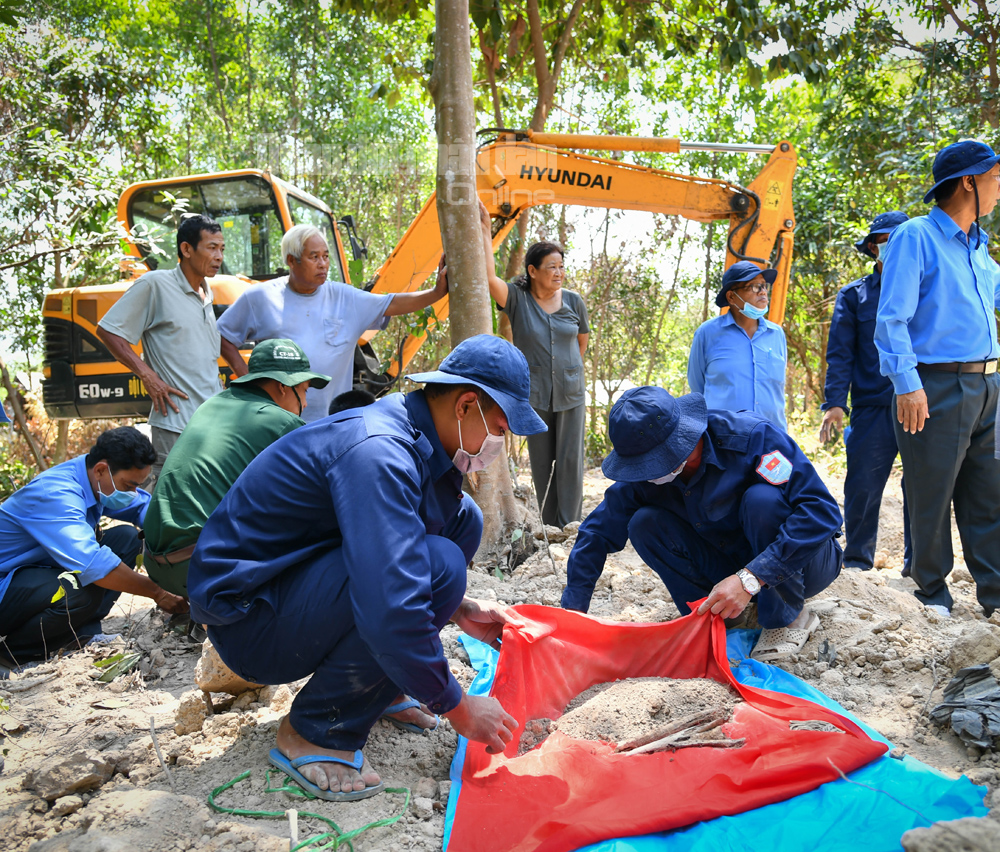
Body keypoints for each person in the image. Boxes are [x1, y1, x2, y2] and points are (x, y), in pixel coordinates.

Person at [187, 334, 547, 801]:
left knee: (462, 524)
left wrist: (458, 608)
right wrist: (457, 706)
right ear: (465, 406)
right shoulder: (379, 450)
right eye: (500, 428)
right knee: (439, 566)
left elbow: (393, 556)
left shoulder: (422, 443)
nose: (500, 442)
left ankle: (377, 687)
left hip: (296, 590)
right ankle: (316, 731)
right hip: (250, 619)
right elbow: (392, 602)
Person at [560, 386, 843, 663]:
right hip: (727, 567)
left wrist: (751, 577)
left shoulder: (751, 438)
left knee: (762, 501)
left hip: (803, 566)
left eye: (650, 464)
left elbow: (821, 512)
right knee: (644, 523)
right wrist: (572, 617)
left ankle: (787, 618)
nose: (647, 474)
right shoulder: (644, 477)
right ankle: (719, 618)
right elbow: (595, 533)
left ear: (679, 443)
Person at [875, 140, 1000, 617]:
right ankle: (931, 592)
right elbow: (892, 319)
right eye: (994, 177)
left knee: (989, 494)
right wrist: (907, 384)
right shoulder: (916, 236)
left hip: (989, 388)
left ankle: (995, 595)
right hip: (935, 387)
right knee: (931, 493)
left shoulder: (980, 249)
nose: (998, 188)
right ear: (969, 180)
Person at [141, 339, 331, 597]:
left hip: (158, 564)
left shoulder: (213, 404)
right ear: (283, 387)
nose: (306, 403)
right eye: (305, 390)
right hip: (204, 566)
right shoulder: (280, 423)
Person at [217, 224, 448, 424]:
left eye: (326, 256)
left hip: (333, 422)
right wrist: (250, 381)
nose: (323, 264)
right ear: (291, 260)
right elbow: (223, 336)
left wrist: (437, 292)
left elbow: (392, 303)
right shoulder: (261, 298)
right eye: (314, 256)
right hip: (276, 424)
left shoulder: (344, 298)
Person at [0, 427, 188, 667]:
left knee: (126, 538)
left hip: (34, 572)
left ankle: (81, 632)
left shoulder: (94, 480)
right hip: (5, 585)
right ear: (101, 469)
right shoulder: (57, 495)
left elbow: (144, 508)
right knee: (78, 591)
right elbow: (94, 565)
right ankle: (17, 652)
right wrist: (158, 592)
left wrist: (182, 545)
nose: (133, 493)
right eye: (129, 485)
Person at [97, 214, 244, 482]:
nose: (219, 256)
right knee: (170, 501)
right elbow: (108, 331)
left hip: (211, 422)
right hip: (175, 422)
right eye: (211, 247)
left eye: (221, 248)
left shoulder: (206, 293)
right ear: (186, 249)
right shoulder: (155, 284)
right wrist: (148, 375)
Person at [480, 206, 590, 528]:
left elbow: (581, 341)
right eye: (551, 267)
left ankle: (570, 524)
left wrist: (569, 371)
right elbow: (489, 279)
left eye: (561, 266)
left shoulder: (574, 302)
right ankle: (549, 524)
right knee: (542, 461)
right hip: (535, 394)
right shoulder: (517, 299)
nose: (559, 273)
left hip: (571, 391)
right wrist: (486, 231)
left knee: (570, 460)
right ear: (533, 270)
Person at [819, 212, 912, 575]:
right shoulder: (854, 296)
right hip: (874, 406)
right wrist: (835, 404)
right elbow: (840, 353)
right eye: (887, 239)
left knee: (921, 487)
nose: (894, 246)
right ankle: (857, 561)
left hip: (923, 402)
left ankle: (917, 566)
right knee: (862, 485)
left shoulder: (926, 287)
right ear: (874, 247)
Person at [688, 261, 787, 430]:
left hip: (772, 440)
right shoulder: (707, 333)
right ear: (732, 297)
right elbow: (698, 389)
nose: (763, 292)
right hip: (722, 441)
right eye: (754, 287)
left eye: (764, 286)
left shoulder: (776, 334)